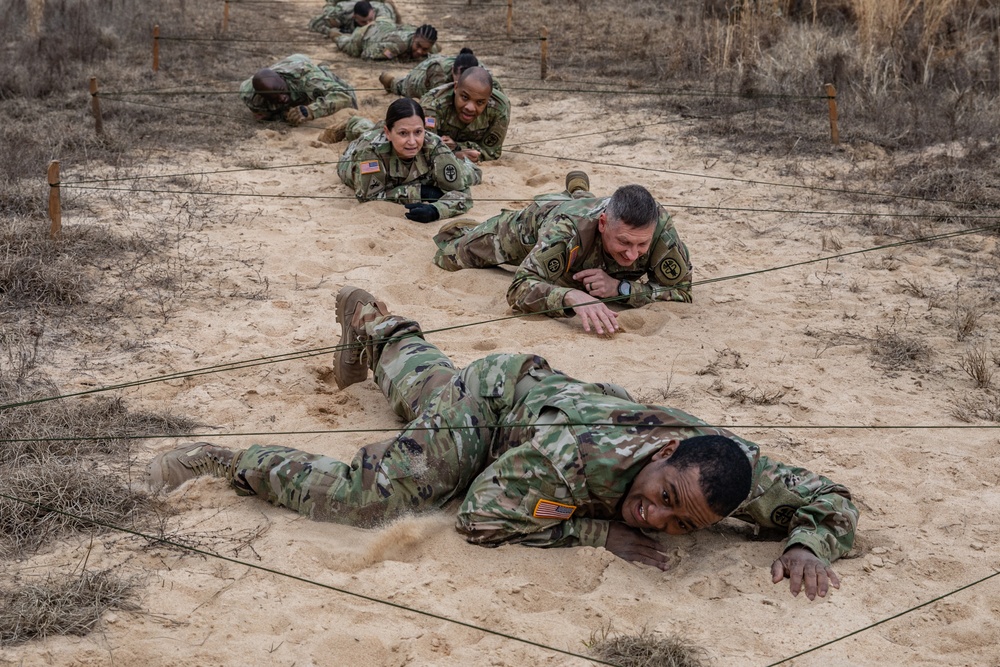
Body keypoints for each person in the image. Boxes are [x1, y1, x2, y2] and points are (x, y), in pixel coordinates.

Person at [148, 286, 859, 601]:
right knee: (372, 498)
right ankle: (221, 459)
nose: (657, 520)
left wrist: (806, 543)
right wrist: (593, 531)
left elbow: (831, 499)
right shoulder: (572, 462)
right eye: (662, 498)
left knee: (425, 392)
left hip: (525, 390)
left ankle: (377, 323)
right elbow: (482, 515)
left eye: (682, 525)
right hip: (494, 412)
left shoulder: (731, 470)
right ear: (664, 454)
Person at [433, 173, 692, 335]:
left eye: (642, 245)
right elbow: (519, 289)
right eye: (624, 242)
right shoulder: (566, 228)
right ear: (603, 225)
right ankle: (472, 228)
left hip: (586, 222)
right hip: (535, 224)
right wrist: (571, 296)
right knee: (450, 255)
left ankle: (579, 193)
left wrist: (621, 289)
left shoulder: (660, 229)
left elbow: (682, 291)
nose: (632, 255)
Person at [333, 99, 480, 222]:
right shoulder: (369, 153)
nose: (412, 141)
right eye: (403, 133)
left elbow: (463, 195)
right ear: (388, 133)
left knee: (473, 174)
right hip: (351, 159)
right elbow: (369, 198)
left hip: (407, 166)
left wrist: (436, 210)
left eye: (418, 132)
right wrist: (421, 192)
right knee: (366, 132)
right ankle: (353, 123)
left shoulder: (434, 146)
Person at [419, 66, 510, 162]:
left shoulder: (500, 107)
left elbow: (491, 151)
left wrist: (458, 147)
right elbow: (425, 149)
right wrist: (456, 155)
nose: (470, 108)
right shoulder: (432, 104)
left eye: (479, 102)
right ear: (456, 88)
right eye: (465, 97)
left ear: (489, 98)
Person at [239, 54, 357, 124]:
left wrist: (311, 111)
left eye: (282, 91)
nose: (282, 98)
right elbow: (263, 114)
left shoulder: (306, 78)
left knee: (351, 98)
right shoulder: (250, 95)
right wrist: (282, 115)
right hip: (285, 66)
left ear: (282, 78)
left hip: (301, 64)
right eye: (275, 98)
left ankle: (323, 69)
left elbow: (344, 96)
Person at [379, 47, 486, 99]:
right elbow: (435, 104)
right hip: (421, 78)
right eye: (461, 80)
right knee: (401, 86)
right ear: (453, 70)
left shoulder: (482, 73)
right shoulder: (440, 75)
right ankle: (390, 81)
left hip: (444, 59)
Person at [336, 19, 437, 61]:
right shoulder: (397, 46)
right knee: (345, 44)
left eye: (425, 49)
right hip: (367, 34)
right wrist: (393, 57)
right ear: (414, 37)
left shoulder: (430, 45)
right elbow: (366, 53)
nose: (420, 51)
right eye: (418, 46)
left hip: (387, 27)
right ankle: (334, 34)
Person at [308, 0, 398, 37]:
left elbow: (390, 31)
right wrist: (330, 32)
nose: (368, 24)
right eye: (363, 22)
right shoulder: (342, 13)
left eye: (371, 19)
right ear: (354, 17)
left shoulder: (382, 12)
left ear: (373, 13)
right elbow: (315, 23)